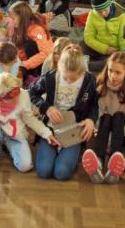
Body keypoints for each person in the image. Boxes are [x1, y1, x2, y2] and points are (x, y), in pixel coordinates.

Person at [29, 45, 97, 181]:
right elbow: (31, 92)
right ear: (59, 68)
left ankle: (73, 152)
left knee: (62, 173)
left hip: (74, 130)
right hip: (51, 129)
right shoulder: (50, 77)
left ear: (83, 71)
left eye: (74, 79)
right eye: (66, 78)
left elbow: (94, 104)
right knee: (44, 171)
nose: (69, 81)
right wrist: (46, 107)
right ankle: (57, 151)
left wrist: (91, 119)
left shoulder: (89, 80)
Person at [0, 72, 59, 173]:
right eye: (12, 98)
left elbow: (30, 118)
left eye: (18, 93)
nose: (17, 99)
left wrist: (47, 133)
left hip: (15, 134)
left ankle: (5, 146)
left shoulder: (23, 95)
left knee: (25, 166)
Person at [80, 52, 125, 184]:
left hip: (122, 133)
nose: (113, 76)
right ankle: (99, 162)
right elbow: (97, 118)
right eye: (111, 71)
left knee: (118, 116)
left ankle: (114, 162)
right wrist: (102, 134)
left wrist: (112, 136)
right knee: (106, 117)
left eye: (118, 72)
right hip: (103, 131)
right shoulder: (100, 87)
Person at [83, 0, 125, 70]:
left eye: (105, 10)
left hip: (114, 51)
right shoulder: (92, 14)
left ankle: (85, 65)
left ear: (110, 5)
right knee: (81, 46)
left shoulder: (122, 16)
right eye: (99, 12)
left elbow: (123, 39)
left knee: (111, 62)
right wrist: (105, 49)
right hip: (98, 46)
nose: (103, 14)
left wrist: (121, 54)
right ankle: (84, 64)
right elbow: (88, 37)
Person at [9, 1, 54, 77]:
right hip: (31, 61)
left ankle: (34, 76)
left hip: (46, 64)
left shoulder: (36, 29)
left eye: (13, 19)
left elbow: (46, 53)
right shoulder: (21, 26)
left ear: (22, 17)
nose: (12, 22)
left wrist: (24, 64)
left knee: (29, 45)